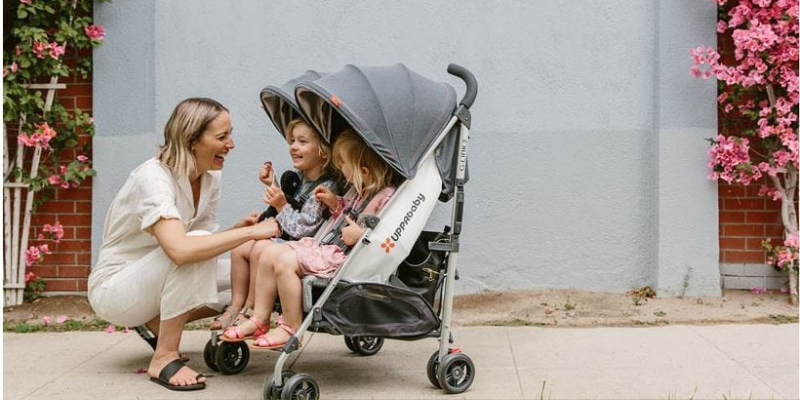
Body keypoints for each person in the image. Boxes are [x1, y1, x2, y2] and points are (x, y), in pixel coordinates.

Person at [87, 98, 280, 391]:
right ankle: (164, 357)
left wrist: (234, 230)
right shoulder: (152, 178)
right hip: (117, 288)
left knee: (260, 277)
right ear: (191, 140)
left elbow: (200, 245)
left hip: (157, 278)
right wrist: (251, 235)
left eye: (230, 134)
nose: (231, 144)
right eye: (221, 137)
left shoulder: (210, 176)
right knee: (195, 249)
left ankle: (156, 320)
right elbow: (182, 250)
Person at [220, 129, 399, 348]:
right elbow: (345, 215)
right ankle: (259, 318)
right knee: (268, 253)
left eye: (343, 165)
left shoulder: (384, 197)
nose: (340, 171)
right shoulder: (357, 191)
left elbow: (383, 233)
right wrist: (336, 204)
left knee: (284, 262)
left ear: (363, 170)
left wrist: (361, 234)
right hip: (325, 247)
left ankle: (291, 328)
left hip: (339, 256)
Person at [208, 118, 338, 331]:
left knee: (259, 247)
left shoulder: (324, 188)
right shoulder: (299, 178)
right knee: (240, 248)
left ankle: (253, 310)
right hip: (283, 238)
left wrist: (280, 206)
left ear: (323, 150)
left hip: (301, 246)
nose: (293, 146)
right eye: (292, 140)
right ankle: (235, 306)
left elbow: (303, 229)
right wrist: (272, 184)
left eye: (302, 142)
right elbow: (291, 203)